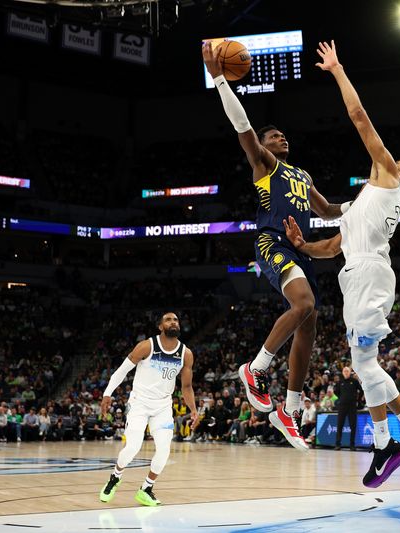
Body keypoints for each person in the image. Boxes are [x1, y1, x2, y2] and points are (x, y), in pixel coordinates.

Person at [283, 40, 400, 488]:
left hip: (370, 273)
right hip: (355, 274)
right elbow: (333, 241)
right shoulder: (362, 202)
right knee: (364, 362)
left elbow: (359, 118)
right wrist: (301, 242)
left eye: (395, 160)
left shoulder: (390, 179)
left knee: (364, 364)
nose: (385, 158)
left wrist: (337, 70)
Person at [202, 42, 344, 451]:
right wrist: (220, 80)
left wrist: (368, 200)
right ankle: (255, 368)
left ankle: (290, 408)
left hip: (299, 248)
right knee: (301, 305)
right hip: (272, 240)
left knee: (311, 319)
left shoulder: (301, 173)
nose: (283, 137)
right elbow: (243, 126)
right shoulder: (266, 164)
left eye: (284, 135)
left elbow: (329, 210)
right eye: (276, 135)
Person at [98, 312, 197, 506]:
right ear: (160, 326)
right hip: (140, 403)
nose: (173, 322)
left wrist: (193, 409)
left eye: (176, 319)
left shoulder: (186, 354)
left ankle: (146, 488)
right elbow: (122, 370)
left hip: (163, 406)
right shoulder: (146, 346)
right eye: (168, 319)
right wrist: (107, 394)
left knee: (164, 451)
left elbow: (186, 387)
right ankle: (115, 477)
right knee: (133, 447)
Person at [334, 366, 361, 450]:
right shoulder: (340, 382)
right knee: (339, 425)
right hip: (342, 406)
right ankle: (338, 444)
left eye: (347, 371)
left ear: (350, 372)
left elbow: (361, 390)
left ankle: (352, 445)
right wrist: (342, 398)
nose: (346, 372)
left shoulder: (354, 381)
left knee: (353, 426)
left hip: (352, 406)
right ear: (342, 372)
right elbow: (336, 392)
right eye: (344, 371)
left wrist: (357, 400)